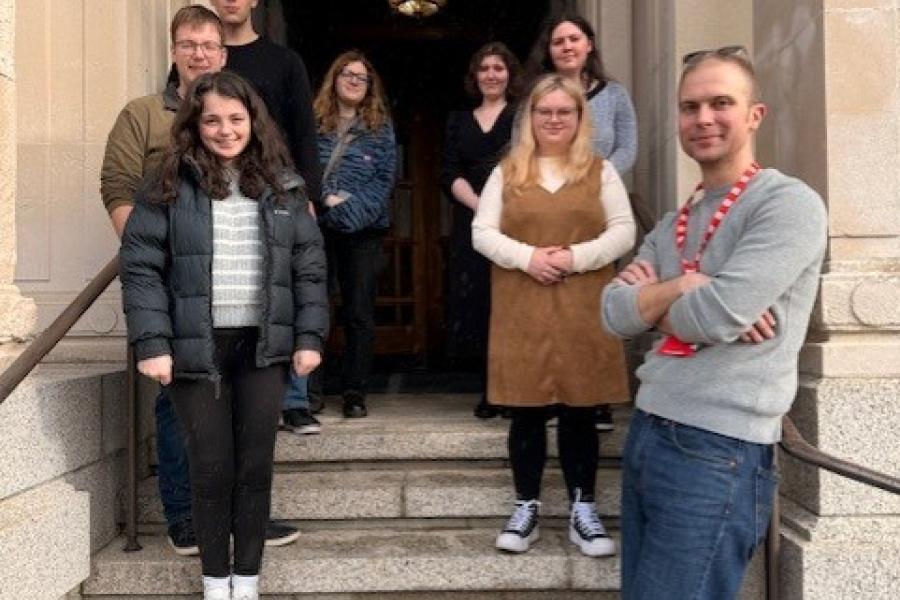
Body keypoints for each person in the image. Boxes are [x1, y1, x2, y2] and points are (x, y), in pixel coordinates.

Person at [601, 47, 827, 599]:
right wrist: (683, 287)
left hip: (717, 449)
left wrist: (659, 302)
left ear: (755, 114)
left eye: (721, 103)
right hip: (650, 428)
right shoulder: (679, 219)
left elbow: (717, 314)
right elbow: (611, 312)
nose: (703, 119)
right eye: (690, 106)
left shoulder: (788, 205)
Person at [120, 71, 327, 600]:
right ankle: (216, 583)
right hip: (196, 345)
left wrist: (309, 337)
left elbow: (308, 268)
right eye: (212, 119)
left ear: (253, 122)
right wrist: (152, 343)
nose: (225, 129)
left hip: (263, 346)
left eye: (236, 118)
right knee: (210, 466)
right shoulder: (165, 185)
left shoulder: (286, 185)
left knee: (255, 465)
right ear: (194, 123)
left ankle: (247, 581)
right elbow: (141, 267)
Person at [472, 74, 635, 557]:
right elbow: (482, 232)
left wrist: (573, 258)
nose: (555, 119)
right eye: (545, 112)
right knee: (525, 410)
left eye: (565, 111)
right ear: (531, 119)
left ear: (580, 118)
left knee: (580, 410)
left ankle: (583, 508)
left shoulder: (600, 171)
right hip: (522, 303)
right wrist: (530, 258)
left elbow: (623, 231)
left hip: (584, 301)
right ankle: (526, 508)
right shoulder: (507, 171)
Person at [99, 5, 226, 556]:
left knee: (240, 401)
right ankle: (183, 516)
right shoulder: (144, 114)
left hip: (231, 279)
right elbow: (118, 187)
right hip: (173, 283)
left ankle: (238, 510)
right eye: (189, 43)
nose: (199, 53)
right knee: (180, 401)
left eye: (209, 45)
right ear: (174, 49)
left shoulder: (237, 112)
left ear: (223, 53)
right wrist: (149, 257)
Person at [208, 0, 325, 436]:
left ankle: (294, 400)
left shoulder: (283, 61)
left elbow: (304, 132)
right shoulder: (207, 58)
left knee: (287, 290)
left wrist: (306, 195)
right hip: (219, 193)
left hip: (277, 190)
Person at [532, 13, 638, 431]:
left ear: (589, 44)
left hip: (597, 209)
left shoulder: (615, 94)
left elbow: (629, 146)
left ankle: (597, 399)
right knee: (552, 307)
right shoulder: (536, 96)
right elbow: (528, 146)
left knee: (596, 304)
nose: (567, 47)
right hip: (548, 206)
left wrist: (601, 180)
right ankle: (555, 394)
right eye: (558, 41)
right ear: (550, 51)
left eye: (573, 38)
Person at [311, 50, 397, 419]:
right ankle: (311, 391)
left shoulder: (381, 129)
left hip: (362, 234)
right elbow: (301, 170)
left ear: (369, 86)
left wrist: (342, 213)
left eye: (360, 77)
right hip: (315, 230)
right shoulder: (314, 123)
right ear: (334, 78)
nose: (352, 80)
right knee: (315, 309)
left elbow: (383, 183)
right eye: (345, 73)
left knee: (358, 312)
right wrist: (323, 206)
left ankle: (354, 392)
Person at [441, 42, 521, 419]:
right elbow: (450, 171)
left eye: (498, 68)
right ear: (475, 76)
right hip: (472, 219)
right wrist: (480, 207)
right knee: (481, 304)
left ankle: (515, 389)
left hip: (516, 218)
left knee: (512, 302)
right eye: (484, 68)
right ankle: (492, 390)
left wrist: (504, 210)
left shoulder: (522, 116)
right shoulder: (459, 119)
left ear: (509, 74)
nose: (491, 74)